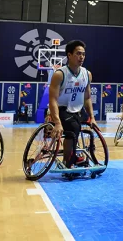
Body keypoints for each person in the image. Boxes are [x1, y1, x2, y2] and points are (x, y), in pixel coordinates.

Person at [48, 40, 96, 170]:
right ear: (69, 55)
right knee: (73, 129)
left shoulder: (87, 74)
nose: (82, 57)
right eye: (78, 53)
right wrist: (57, 122)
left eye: (83, 54)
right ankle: (68, 161)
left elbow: (87, 97)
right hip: (61, 109)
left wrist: (92, 117)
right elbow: (52, 100)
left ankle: (81, 154)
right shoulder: (59, 74)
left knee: (90, 130)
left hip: (78, 110)